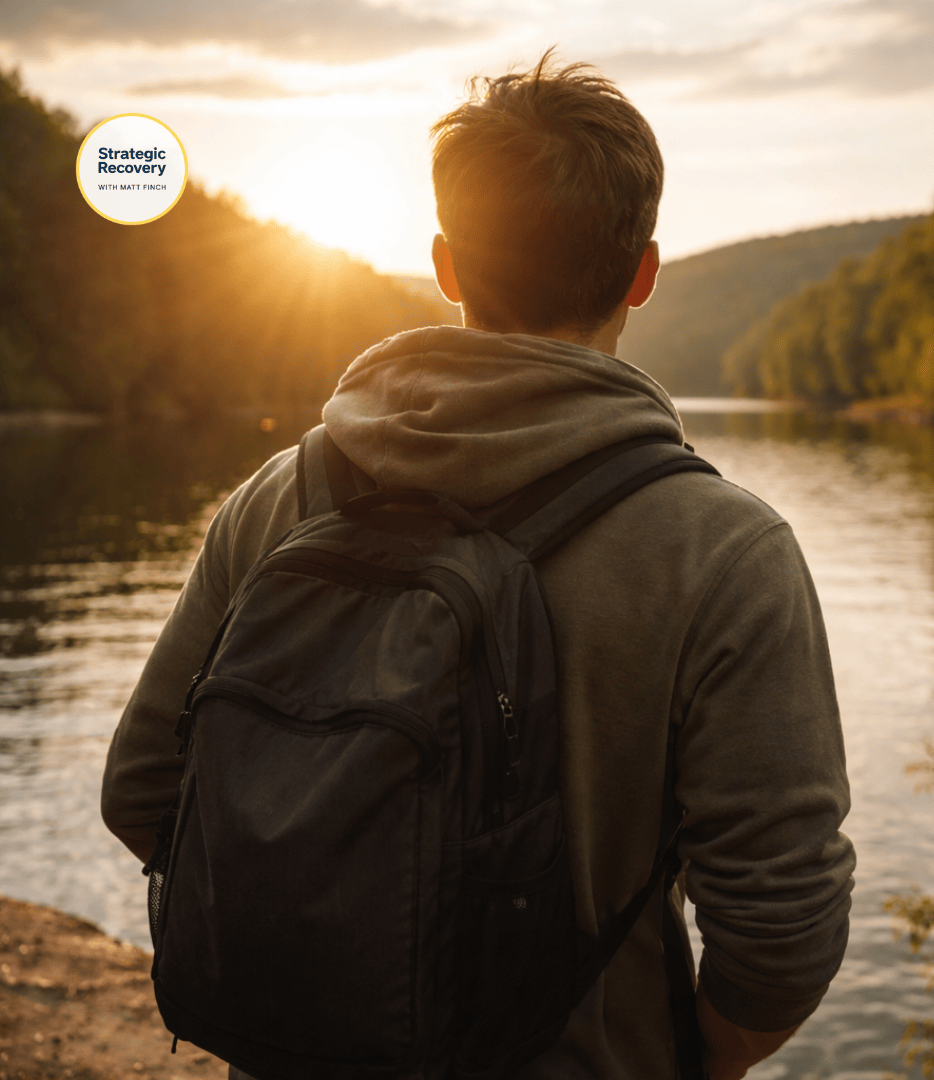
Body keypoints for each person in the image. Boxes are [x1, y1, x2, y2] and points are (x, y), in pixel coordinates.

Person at [102, 51, 855, 1080]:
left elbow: (144, 792)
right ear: (643, 270)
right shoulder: (725, 552)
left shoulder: (279, 497)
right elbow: (781, 937)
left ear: (448, 265)